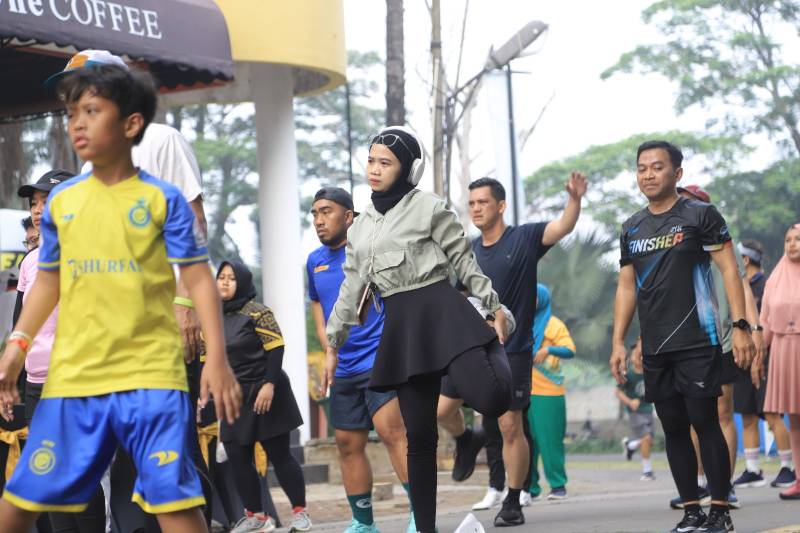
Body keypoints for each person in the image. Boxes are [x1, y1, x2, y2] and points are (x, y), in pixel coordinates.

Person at [0, 61, 241, 533]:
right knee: (24, 498)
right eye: (72, 114)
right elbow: (48, 280)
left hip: (150, 375)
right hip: (76, 377)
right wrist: (17, 346)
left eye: (92, 111)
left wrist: (217, 357)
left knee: (172, 502)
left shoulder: (164, 200)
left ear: (131, 123)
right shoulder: (64, 202)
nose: (78, 124)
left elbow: (197, 278)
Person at [323, 126, 512, 533]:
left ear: (408, 169)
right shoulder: (360, 227)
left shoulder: (428, 207)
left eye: (385, 163)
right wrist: (332, 343)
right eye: (371, 160)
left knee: (493, 398)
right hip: (403, 329)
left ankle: (488, 336)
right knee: (420, 440)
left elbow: (464, 262)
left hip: (443, 311)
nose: (374, 169)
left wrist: (494, 307)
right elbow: (351, 288)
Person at [609, 140, 755, 533]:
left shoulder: (700, 215)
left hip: (697, 339)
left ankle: (720, 511)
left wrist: (741, 326)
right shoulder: (631, 228)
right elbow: (626, 286)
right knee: (673, 427)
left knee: (704, 421)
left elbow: (730, 270)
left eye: (657, 167)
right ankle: (692, 510)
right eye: (642, 168)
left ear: (677, 173)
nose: (648, 175)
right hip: (656, 345)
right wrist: (619, 342)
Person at [437, 173, 586, 526]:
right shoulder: (468, 251)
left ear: (501, 205)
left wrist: (574, 200)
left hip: (512, 349)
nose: (476, 209)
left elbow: (563, 226)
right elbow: (458, 296)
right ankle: (466, 439)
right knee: (441, 411)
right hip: (469, 349)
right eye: (472, 204)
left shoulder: (524, 239)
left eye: (483, 202)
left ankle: (514, 499)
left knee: (509, 426)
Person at [308, 187, 414, 533]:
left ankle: (421, 516)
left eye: (326, 211)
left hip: (379, 359)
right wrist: (330, 351)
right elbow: (320, 312)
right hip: (343, 366)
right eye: (314, 214)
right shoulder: (314, 262)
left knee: (391, 432)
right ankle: (363, 523)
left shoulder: (370, 252)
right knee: (347, 444)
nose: (319, 220)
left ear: (349, 216)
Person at [14, 170, 108, 533]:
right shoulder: (30, 261)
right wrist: (11, 378)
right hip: (36, 384)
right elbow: (20, 326)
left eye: (47, 200)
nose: (38, 210)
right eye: (34, 203)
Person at [663, 184, 761, 510]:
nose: (682, 206)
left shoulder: (721, 240)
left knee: (721, 412)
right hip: (685, 340)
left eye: (689, 201)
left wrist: (751, 330)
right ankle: (699, 483)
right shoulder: (672, 245)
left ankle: (724, 484)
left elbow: (742, 289)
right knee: (693, 414)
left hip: (723, 338)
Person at [214, 261, 311, 532]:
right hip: (234, 395)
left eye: (231, 278)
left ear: (242, 282)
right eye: (221, 277)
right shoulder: (212, 317)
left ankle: (300, 513)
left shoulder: (257, 312)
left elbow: (276, 348)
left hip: (266, 390)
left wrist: (269, 385)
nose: (224, 282)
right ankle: (257, 516)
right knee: (236, 453)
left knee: (279, 454)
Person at [733, 239, 796, 489]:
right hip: (742, 357)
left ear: (745, 260)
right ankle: (753, 470)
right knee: (747, 414)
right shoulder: (736, 287)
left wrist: (762, 354)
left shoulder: (769, 285)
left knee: (771, 413)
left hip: (765, 358)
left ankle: (788, 468)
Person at [753, 223, 800, 500]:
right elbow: (766, 321)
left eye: (798, 239)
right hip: (783, 350)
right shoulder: (775, 279)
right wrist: (759, 355)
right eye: (788, 240)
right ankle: (799, 479)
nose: (792, 244)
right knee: (793, 418)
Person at [526, 284, 575, 498]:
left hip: (549, 393)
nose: (530, 301)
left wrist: (548, 349)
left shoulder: (553, 324)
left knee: (550, 441)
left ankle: (558, 485)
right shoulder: (522, 322)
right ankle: (530, 487)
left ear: (543, 299)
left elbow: (570, 349)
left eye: (534, 297)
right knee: (527, 441)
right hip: (524, 391)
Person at [616, 338, 656, 481]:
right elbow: (618, 392)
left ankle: (630, 445)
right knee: (646, 438)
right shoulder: (629, 374)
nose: (638, 356)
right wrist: (630, 402)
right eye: (635, 353)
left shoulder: (649, 371)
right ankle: (647, 471)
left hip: (648, 409)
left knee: (649, 441)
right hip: (635, 412)